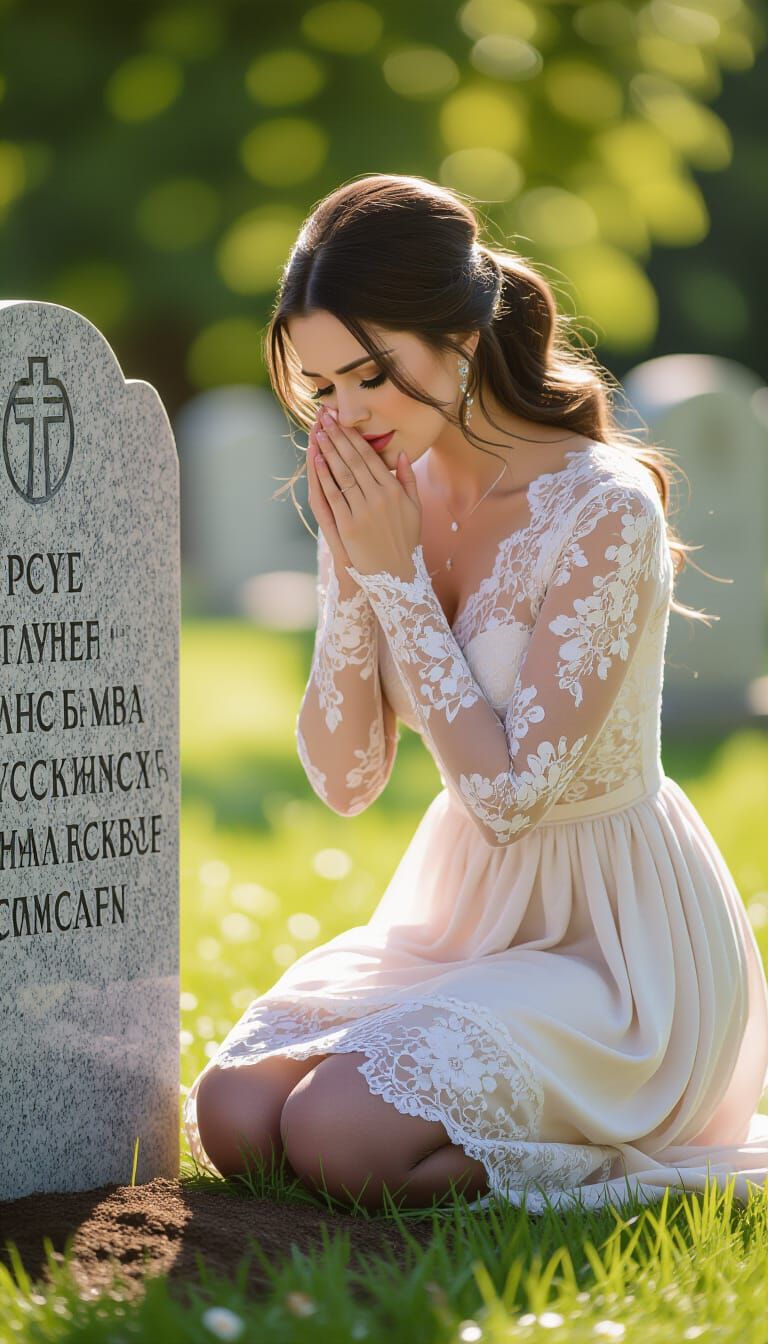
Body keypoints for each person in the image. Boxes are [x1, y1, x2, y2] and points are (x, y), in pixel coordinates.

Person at [184, 173, 768, 1215]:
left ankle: (605, 1156)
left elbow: (507, 802)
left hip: (614, 945)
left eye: (371, 376)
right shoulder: (379, 488)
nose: (349, 415)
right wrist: (352, 566)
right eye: (324, 389)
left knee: (333, 1137)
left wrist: (396, 573)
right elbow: (347, 777)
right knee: (232, 1113)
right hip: (462, 917)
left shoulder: (603, 508)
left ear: (459, 338)